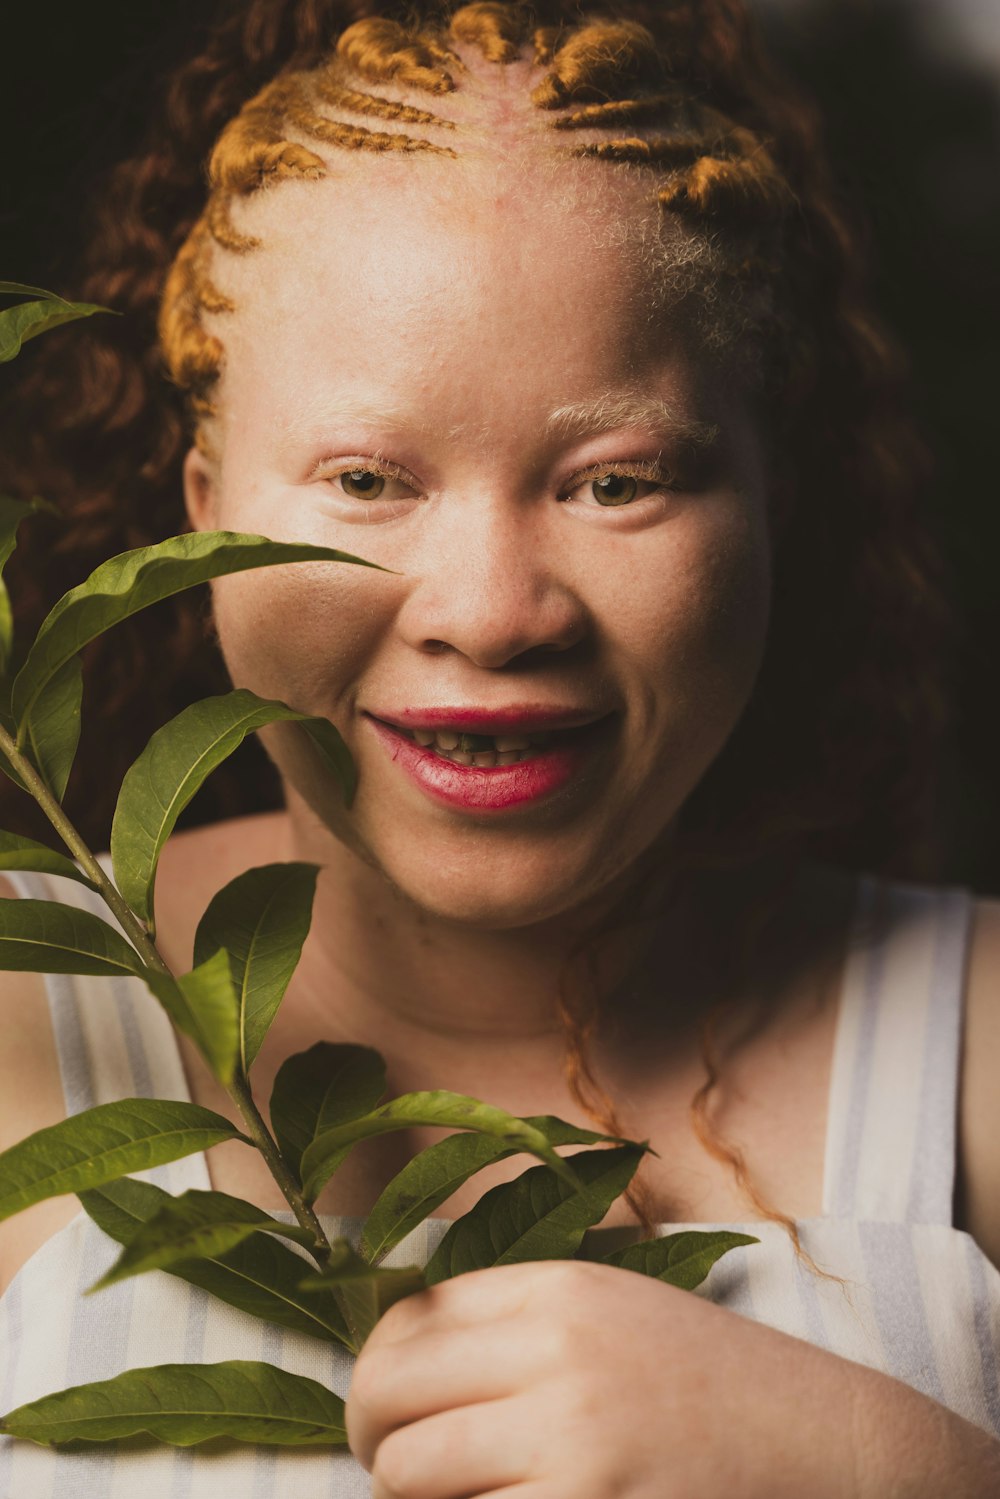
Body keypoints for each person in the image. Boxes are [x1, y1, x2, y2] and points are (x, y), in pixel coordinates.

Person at [1, 0, 998, 1494]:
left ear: (770, 501)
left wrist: (882, 1462)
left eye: (618, 481)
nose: (492, 612)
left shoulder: (977, 1053)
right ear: (202, 508)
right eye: (365, 478)